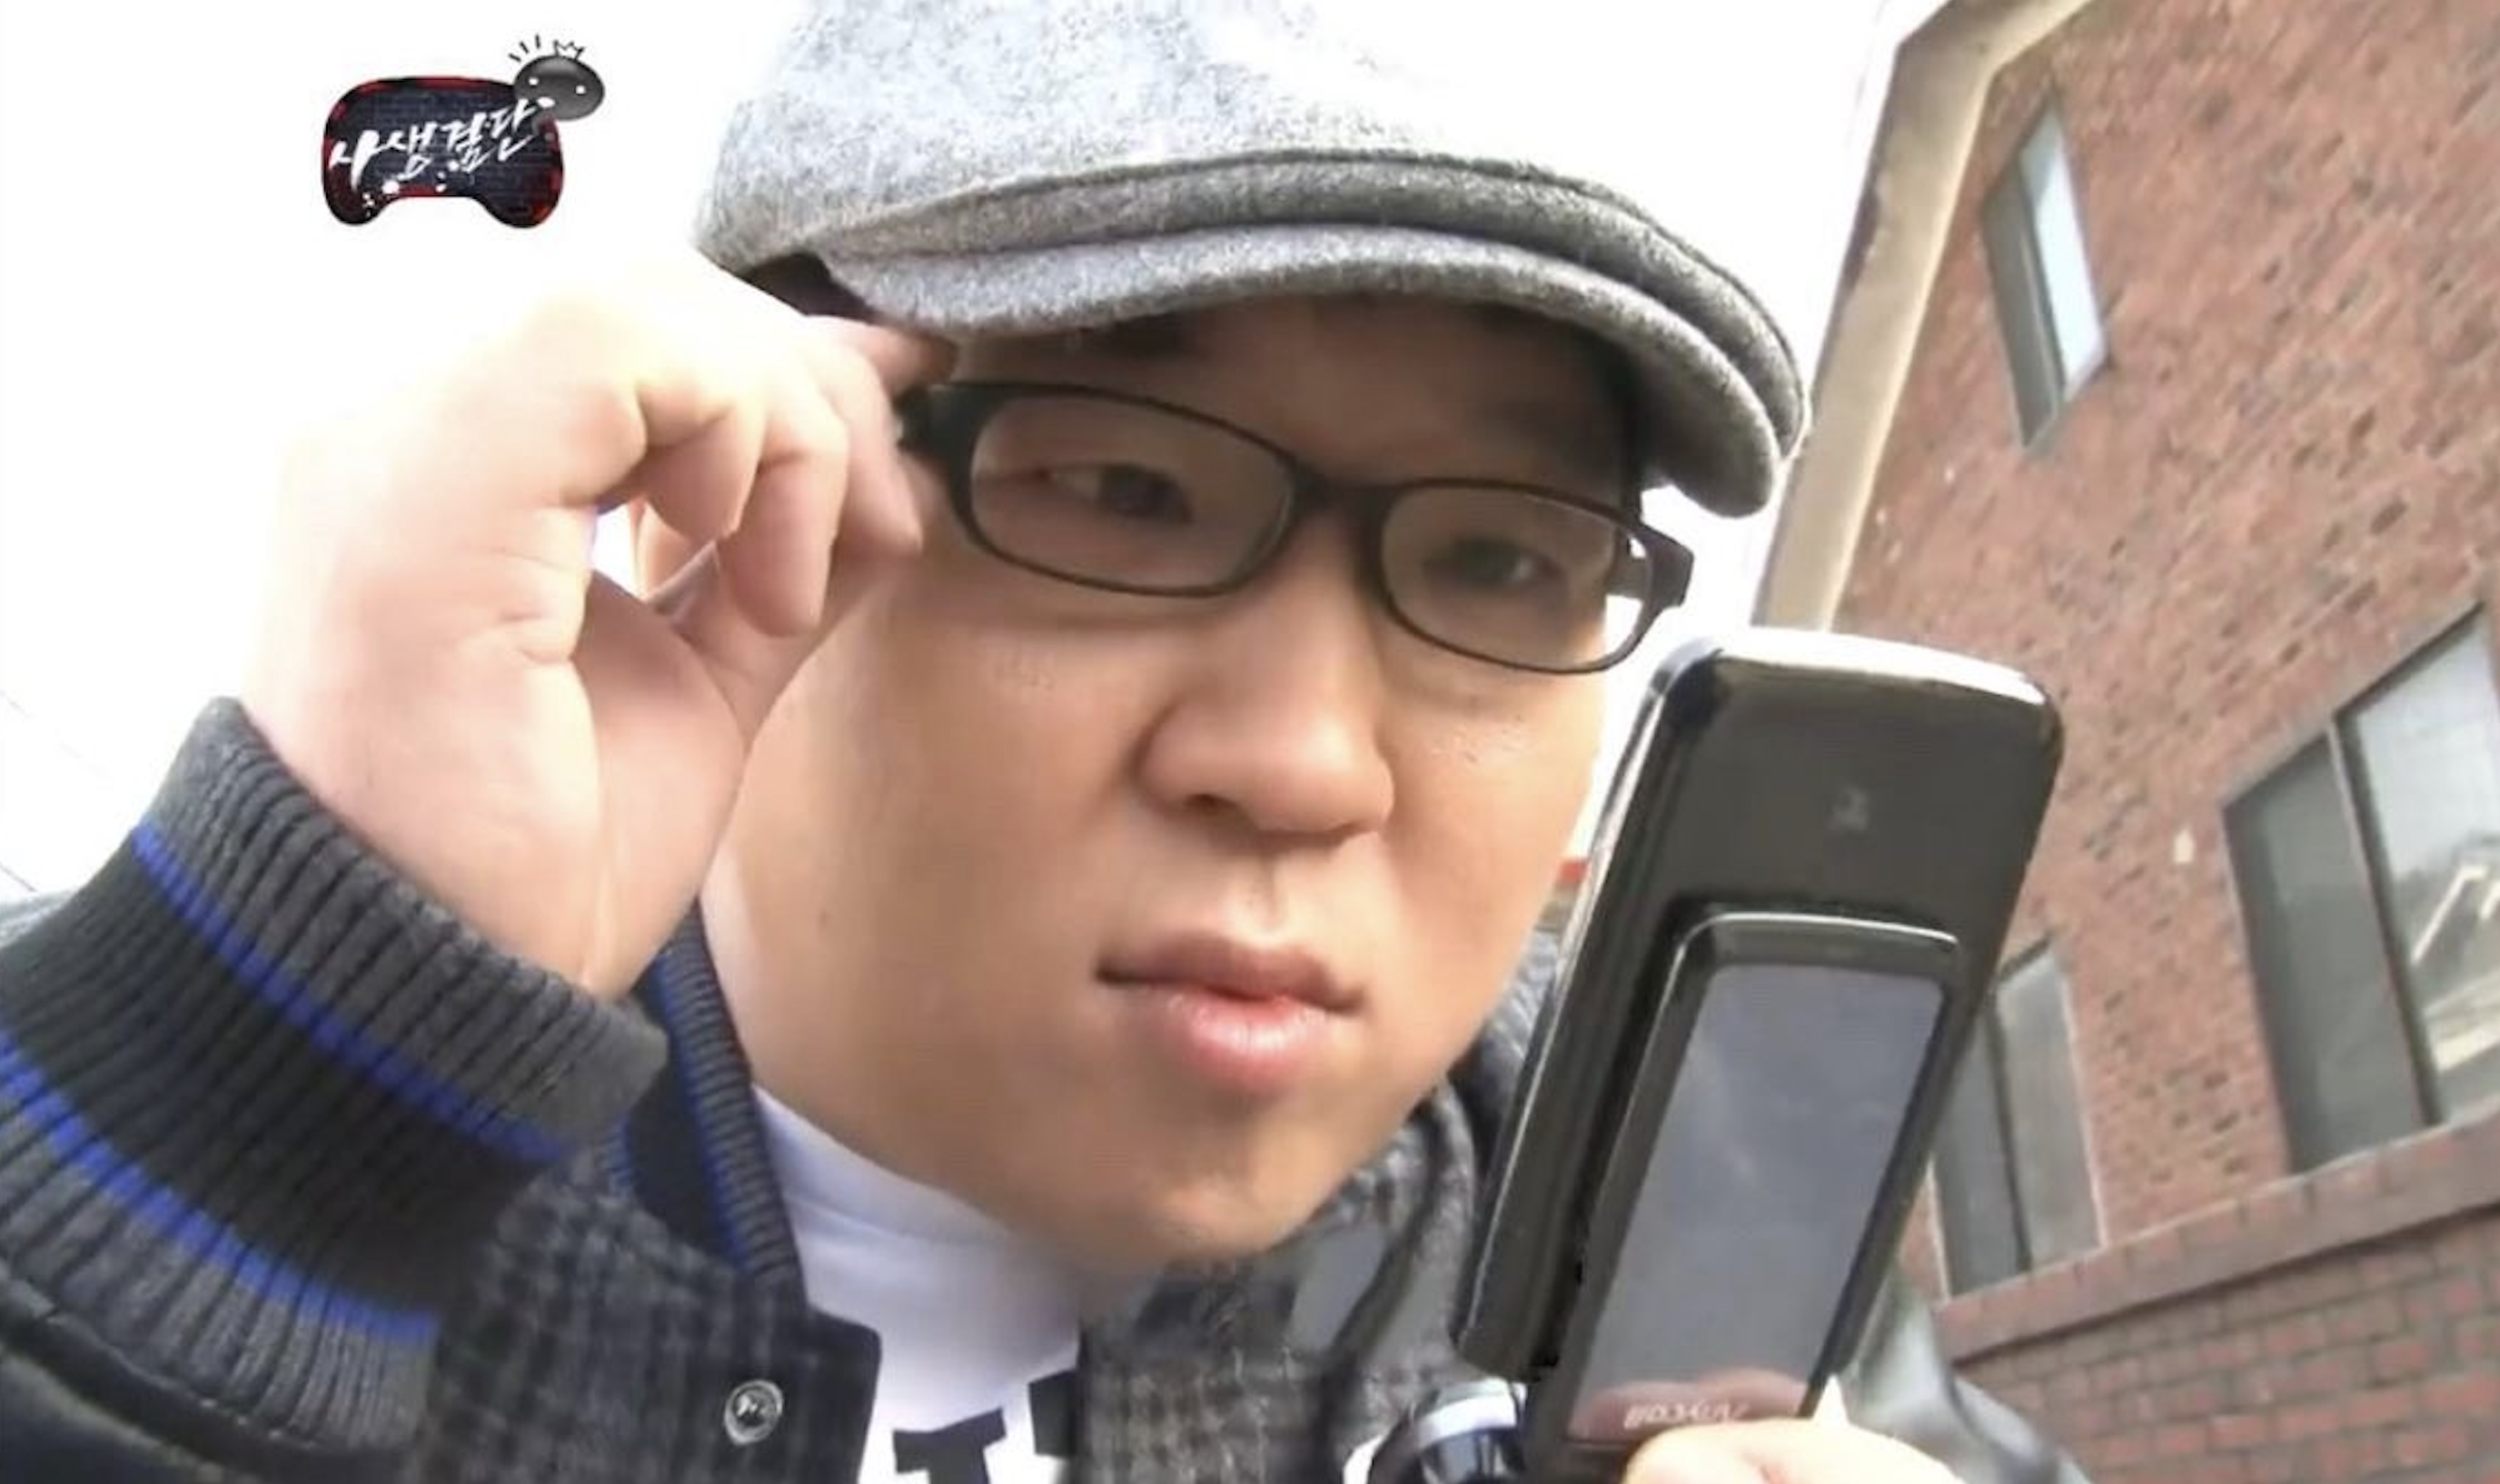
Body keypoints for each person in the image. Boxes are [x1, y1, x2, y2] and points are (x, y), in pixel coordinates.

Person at [0, 4, 2093, 1480]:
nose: (1303, 761)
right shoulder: (159, 1121)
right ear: (709, 502)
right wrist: (259, 1109)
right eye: (1120, 489)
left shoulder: (1652, 1244)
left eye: (1495, 559)